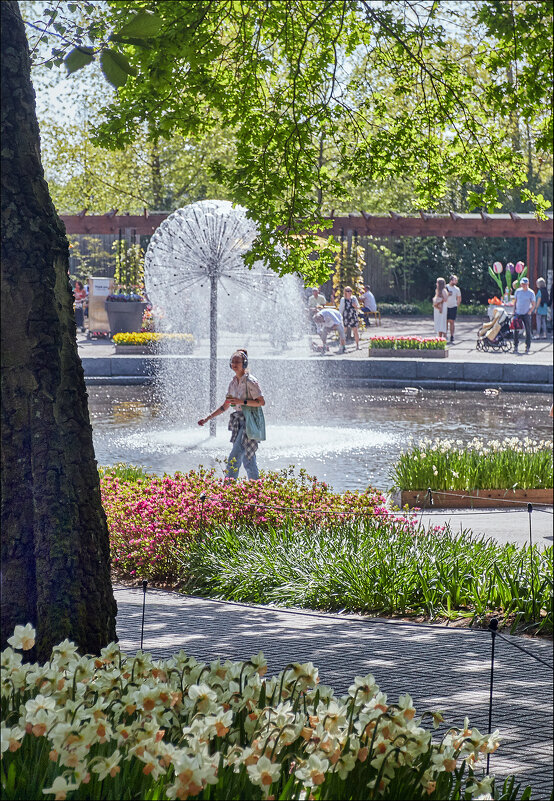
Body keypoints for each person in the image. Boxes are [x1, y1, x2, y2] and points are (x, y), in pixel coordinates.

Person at [198, 349, 265, 480]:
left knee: (234, 456)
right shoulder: (233, 383)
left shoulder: (251, 381)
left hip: (250, 421)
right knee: (248, 459)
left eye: (237, 362)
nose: (234, 364)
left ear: (244, 364)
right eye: (232, 361)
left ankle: (228, 489)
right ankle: (257, 489)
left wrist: (242, 402)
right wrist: (207, 418)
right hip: (239, 421)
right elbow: (225, 406)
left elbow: (261, 402)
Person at [513, 277, 535, 354]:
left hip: (526, 313)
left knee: (528, 330)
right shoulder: (518, 291)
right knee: (516, 330)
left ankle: (527, 346)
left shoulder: (531, 292)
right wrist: (514, 311)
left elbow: (533, 303)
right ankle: (515, 346)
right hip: (518, 313)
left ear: (527, 284)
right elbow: (515, 302)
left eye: (525, 284)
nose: (523, 285)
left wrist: (530, 311)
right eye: (522, 284)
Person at [445, 274, 462, 343]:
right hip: (446, 306)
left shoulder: (457, 289)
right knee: (445, 322)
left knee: (452, 321)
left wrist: (457, 305)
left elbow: (459, 298)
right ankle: (445, 336)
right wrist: (447, 294)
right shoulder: (445, 287)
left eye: (456, 280)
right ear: (451, 280)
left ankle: (452, 336)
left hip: (453, 307)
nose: (456, 281)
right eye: (455, 280)